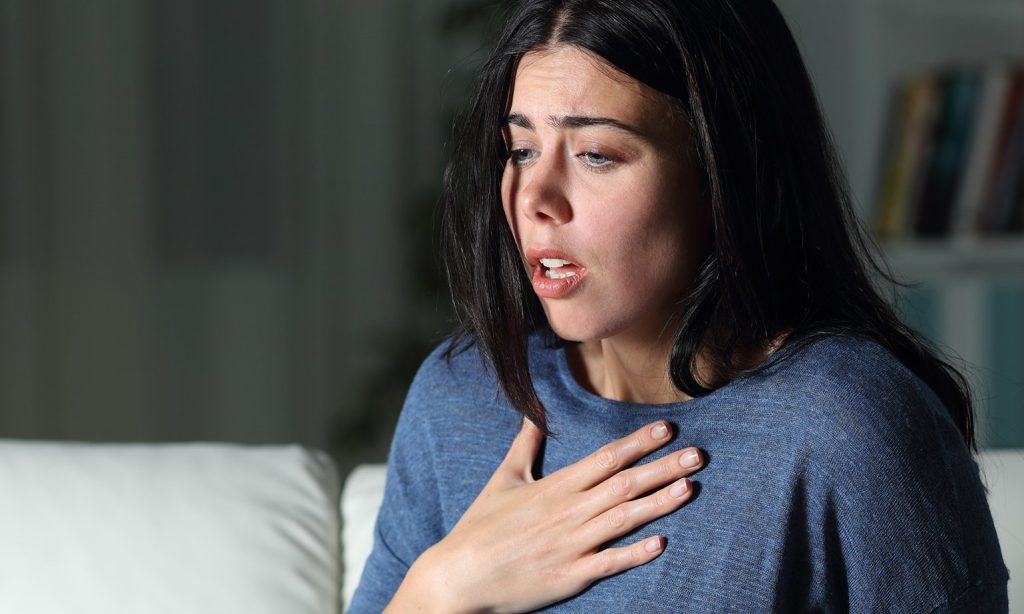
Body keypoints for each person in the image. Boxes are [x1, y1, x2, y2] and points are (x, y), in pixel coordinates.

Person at [350, 0, 1009, 611]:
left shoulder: (847, 427)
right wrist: (445, 585)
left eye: (596, 154)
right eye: (520, 149)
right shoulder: (461, 397)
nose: (535, 197)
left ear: (721, 172)